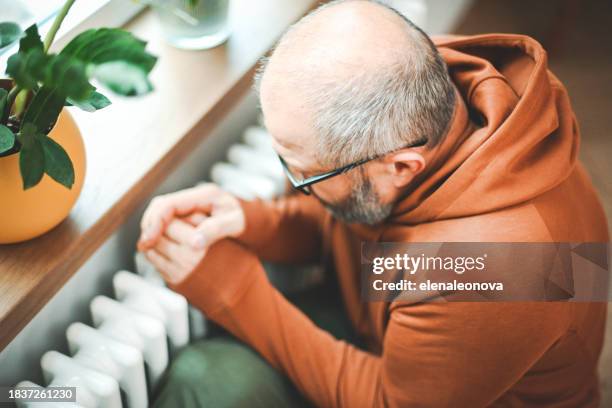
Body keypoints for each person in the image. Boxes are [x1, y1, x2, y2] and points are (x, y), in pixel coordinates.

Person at [137, 0, 609, 406]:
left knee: (204, 378)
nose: (294, 184)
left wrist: (234, 292)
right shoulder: (419, 86)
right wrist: (251, 219)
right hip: (405, 325)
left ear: (402, 167)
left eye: (307, 173)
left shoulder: (502, 267)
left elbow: (387, 400)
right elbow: (367, 237)